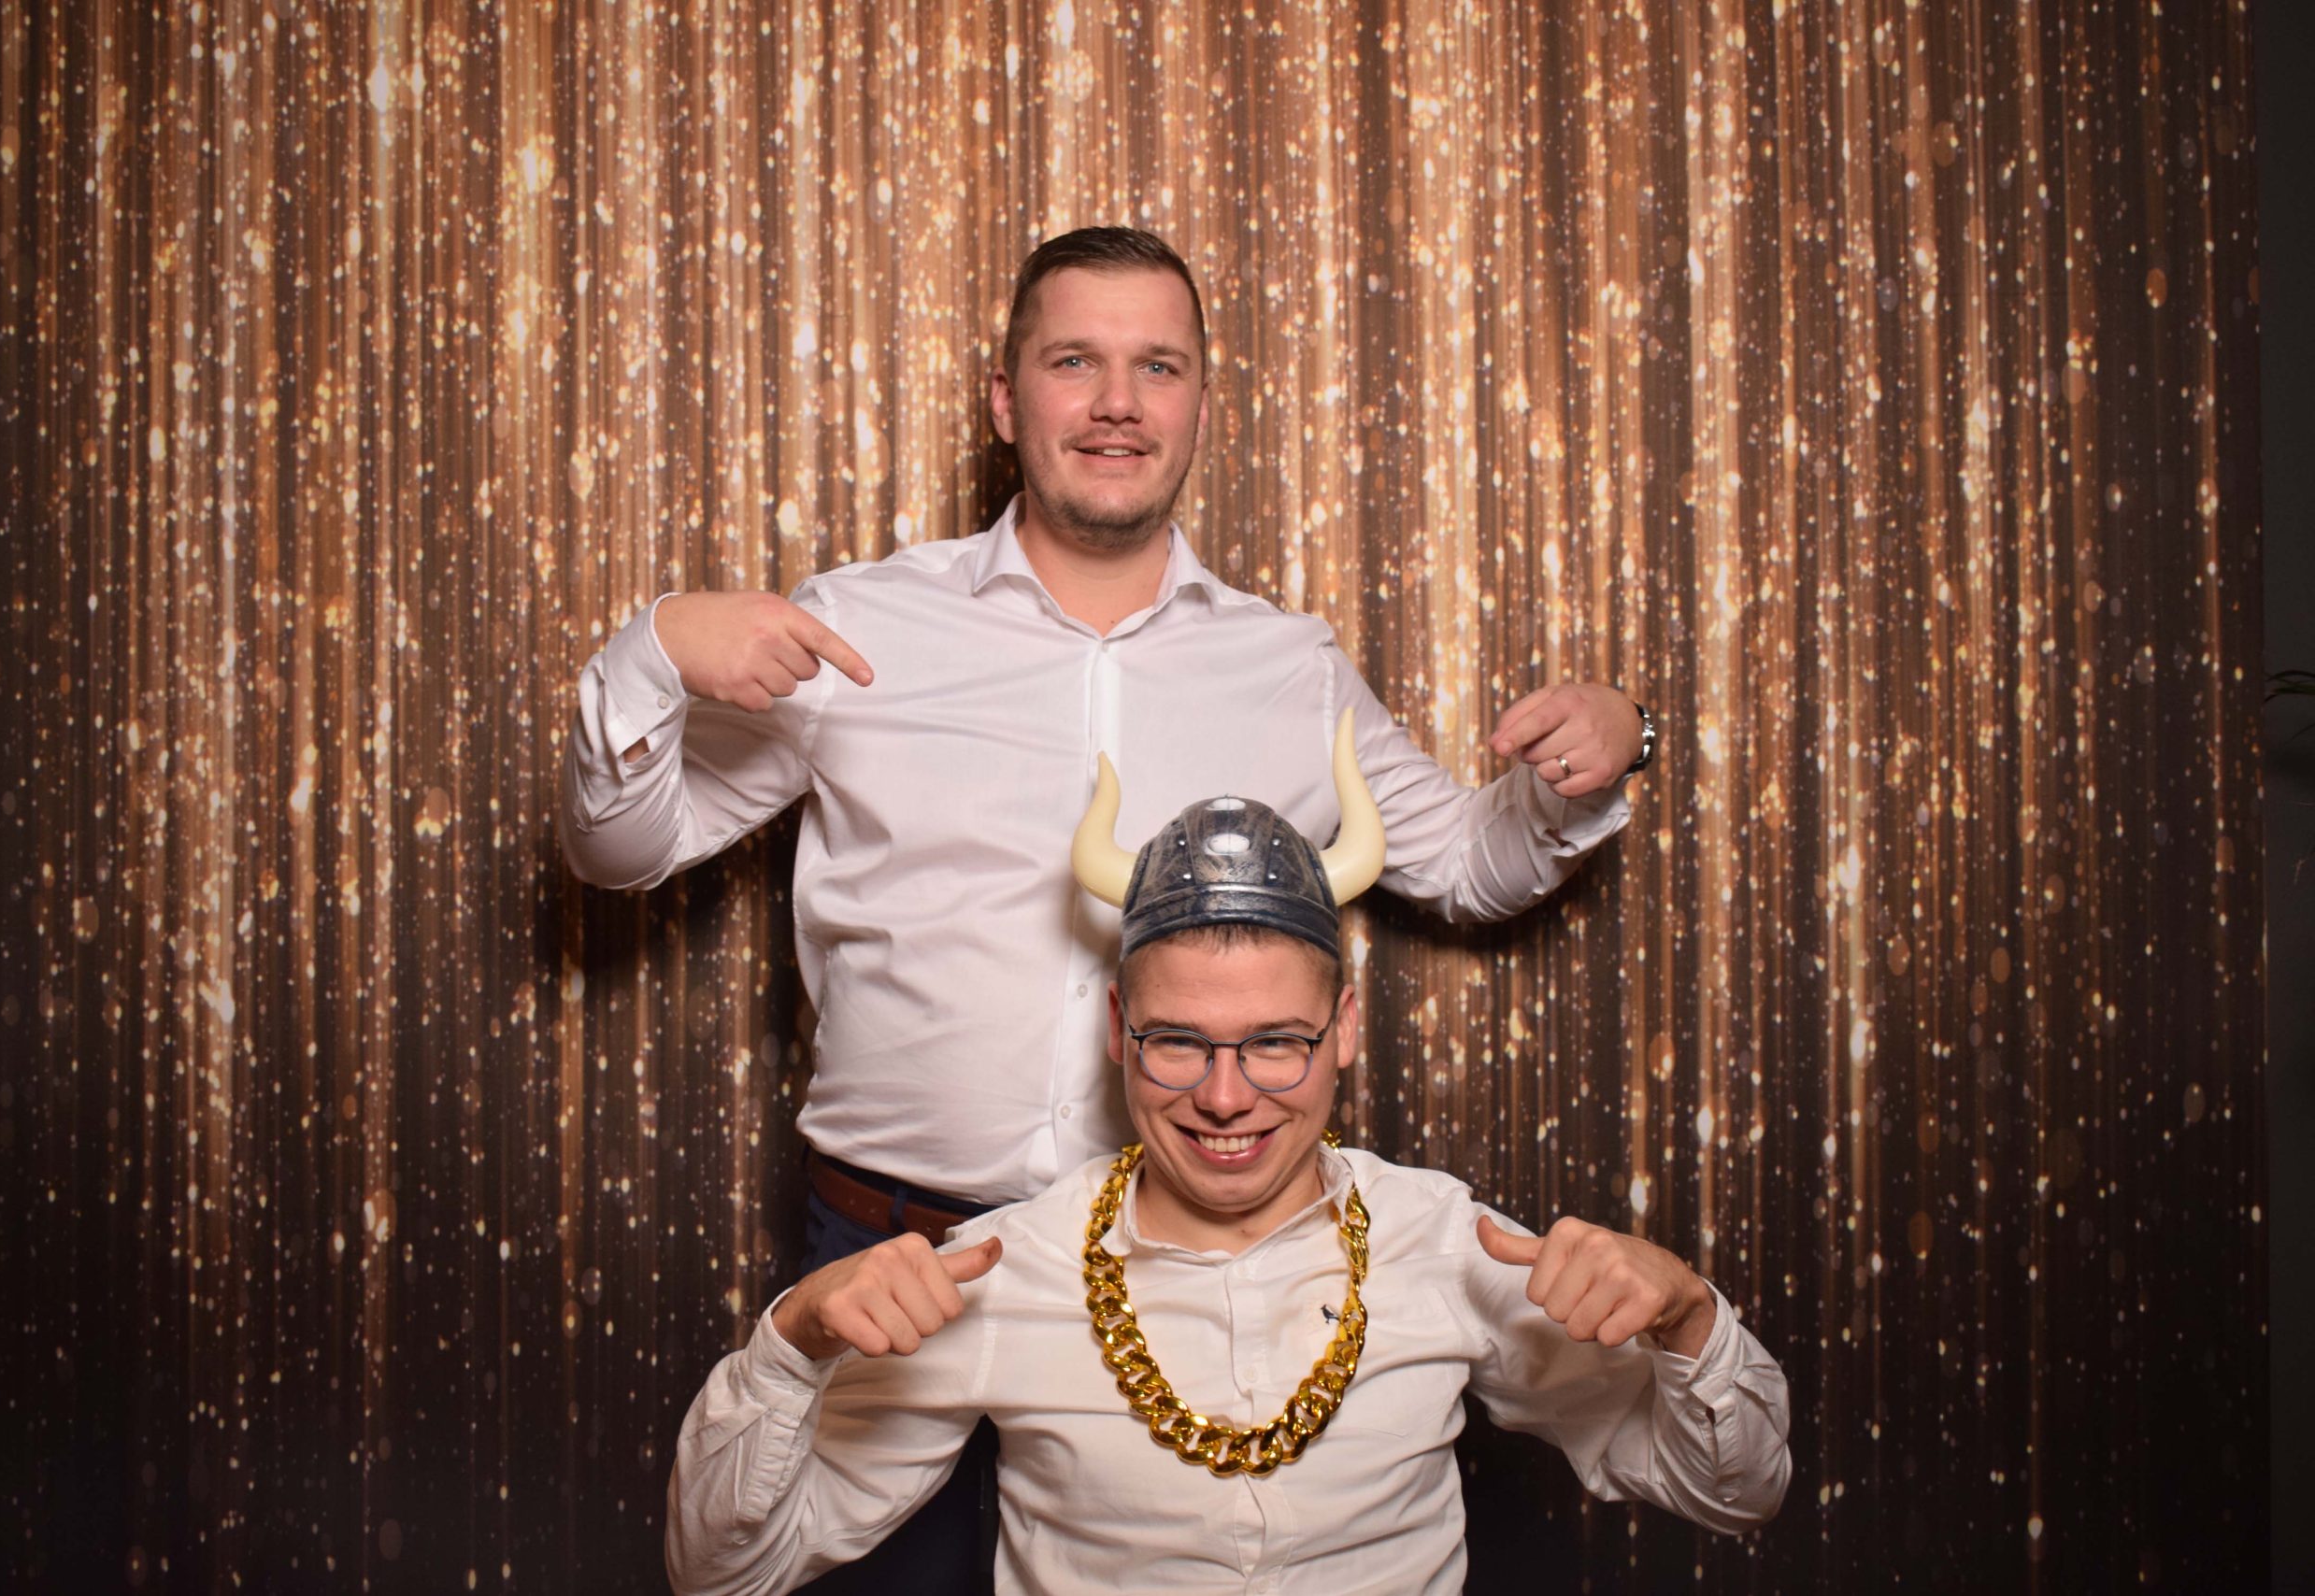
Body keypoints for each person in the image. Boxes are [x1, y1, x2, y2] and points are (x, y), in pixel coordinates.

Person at [564, 224, 1657, 1589]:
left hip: (1174, 1266)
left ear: (1201, 402)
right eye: (1074, 361)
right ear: (1004, 396)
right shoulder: (862, 626)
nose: (1118, 404)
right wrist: (653, 650)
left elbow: (1467, 865)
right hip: (896, 1254)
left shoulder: (1286, 663)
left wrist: (1608, 749)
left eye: (1159, 366)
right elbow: (621, 851)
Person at [664, 744, 1788, 1594]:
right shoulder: (1004, 1268)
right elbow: (720, 1571)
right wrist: (790, 1347)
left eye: (1275, 1042)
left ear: (1344, 1030)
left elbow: (1737, 1494)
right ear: (1117, 1029)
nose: (1224, 1095)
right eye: (1178, 1041)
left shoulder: (1447, 1242)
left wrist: (1689, 1320)